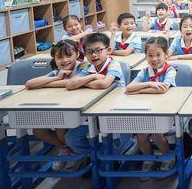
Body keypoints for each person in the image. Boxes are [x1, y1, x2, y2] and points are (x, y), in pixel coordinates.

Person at [64, 33, 125, 169]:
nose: (94, 55)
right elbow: (70, 84)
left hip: (113, 113)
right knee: (71, 138)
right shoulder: (87, 67)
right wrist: (95, 77)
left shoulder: (114, 64)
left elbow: (104, 84)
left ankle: (107, 160)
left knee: (111, 144)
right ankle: (91, 158)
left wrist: (83, 82)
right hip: (91, 112)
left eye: (98, 50)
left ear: (108, 50)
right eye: (89, 52)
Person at [25, 40, 82, 171]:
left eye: (69, 55)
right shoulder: (58, 72)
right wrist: (56, 78)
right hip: (57, 106)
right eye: (59, 57)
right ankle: (67, 149)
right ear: (54, 58)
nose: (65, 60)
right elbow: (29, 84)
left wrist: (46, 83)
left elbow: (72, 83)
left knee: (62, 133)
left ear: (77, 54)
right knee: (38, 131)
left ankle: (77, 154)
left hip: (77, 108)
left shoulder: (83, 66)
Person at [126, 37, 177, 179]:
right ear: (145, 56)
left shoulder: (170, 70)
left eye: (158, 55)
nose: (154, 59)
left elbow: (163, 89)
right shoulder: (144, 71)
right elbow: (129, 88)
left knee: (156, 134)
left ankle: (168, 157)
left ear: (166, 54)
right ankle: (148, 159)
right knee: (141, 135)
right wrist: (150, 84)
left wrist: (140, 90)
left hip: (166, 111)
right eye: (150, 56)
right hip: (146, 110)